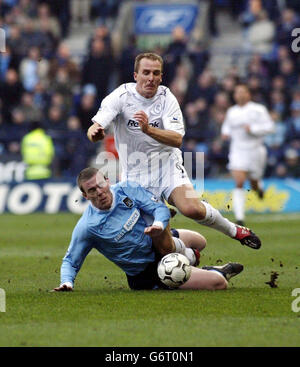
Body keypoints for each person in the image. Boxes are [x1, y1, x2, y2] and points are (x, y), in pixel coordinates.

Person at [87, 52, 261, 250]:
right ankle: (188, 254)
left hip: (167, 165)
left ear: (161, 77)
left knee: (192, 208)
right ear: (136, 75)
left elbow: (177, 139)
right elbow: (94, 128)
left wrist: (148, 129)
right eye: (145, 73)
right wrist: (95, 132)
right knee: (159, 244)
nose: (150, 78)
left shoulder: (167, 98)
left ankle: (234, 230)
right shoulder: (120, 96)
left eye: (155, 73)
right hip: (135, 176)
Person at [53, 167, 244, 292]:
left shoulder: (127, 189)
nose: (99, 192)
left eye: (101, 185)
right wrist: (67, 282)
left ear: (108, 181)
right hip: (147, 271)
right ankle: (207, 269)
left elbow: (158, 208)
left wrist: (160, 224)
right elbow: (71, 260)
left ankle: (188, 259)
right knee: (219, 283)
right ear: (85, 195)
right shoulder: (88, 227)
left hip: (156, 242)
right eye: (92, 190)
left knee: (200, 240)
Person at [221, 83, 274, 225]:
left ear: (248, 94)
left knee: (254, 181)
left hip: (256, 150)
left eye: (242, 92)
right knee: (239, 182)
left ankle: (259, 188)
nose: (240, 95)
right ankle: (240, 217)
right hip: (238, 150)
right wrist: (225, 134)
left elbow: (270, 127)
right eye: (237, 92)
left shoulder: (258, 109)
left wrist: (253, 129)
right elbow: (226, 126)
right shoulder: (232, 111)